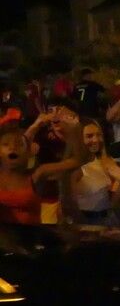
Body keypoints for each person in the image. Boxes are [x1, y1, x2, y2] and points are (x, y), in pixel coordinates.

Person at [1, 110, 89, 224]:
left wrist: (75, 128)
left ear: (29, 152)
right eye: (6, 144)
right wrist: (34, 126)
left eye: (19, 144)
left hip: (31, 234)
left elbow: (77, 160)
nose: (12, 148)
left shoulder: (38, 174)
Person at [23, 96, 82, 224]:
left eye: (59, 110)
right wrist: (34, 127)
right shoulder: (44, 139)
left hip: (82, 203)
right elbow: (21, 153)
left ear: (73, 115)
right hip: (48, 202)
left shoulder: (85, 135)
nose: (54, 115)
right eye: (51, 111)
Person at [69, 118, 120, 226]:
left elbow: (115, 204)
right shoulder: (74, 167)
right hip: (84, 224)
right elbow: (67, 207)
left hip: (108, 222)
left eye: (98, 135)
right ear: (78, 139)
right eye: (89, 136)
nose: (96, 140)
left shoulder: (106, 162)